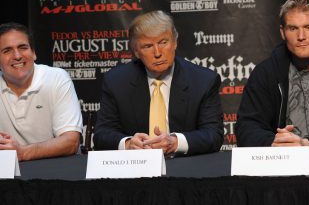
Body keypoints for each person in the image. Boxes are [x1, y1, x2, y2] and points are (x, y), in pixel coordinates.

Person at [94, 10, 224, 156]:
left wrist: (175, 143)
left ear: (175, 42)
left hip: (185, 167)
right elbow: (102, 134)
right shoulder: (116, 81)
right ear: (136, 51)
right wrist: (128, 143)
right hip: (135, 169)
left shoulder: (203, 80)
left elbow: (213, 135)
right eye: (148, 46)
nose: (157, 53)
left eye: (163, 42)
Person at [235, 0, 309, 155]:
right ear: (283, 33)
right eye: (293, 28)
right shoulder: (266, 73)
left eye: (308, 27)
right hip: (281, 167)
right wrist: (274, 143)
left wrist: (307, 145)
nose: (301, 37)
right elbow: (246, 127)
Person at [0, 22, 83, 161]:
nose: (17, 56)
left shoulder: (57, 78)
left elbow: (71, 142)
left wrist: (22, 153)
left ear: (33, 53)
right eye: (7, 50)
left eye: (23, 47)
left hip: (56, 170)